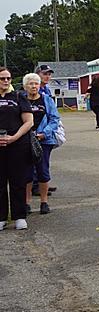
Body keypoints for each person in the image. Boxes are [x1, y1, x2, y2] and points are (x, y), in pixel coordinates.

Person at [21, 73, 60, 215]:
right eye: (30, 83)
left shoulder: (46, 100)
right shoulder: (22, 100)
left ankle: (44, 202)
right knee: (27, 173)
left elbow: (54, 119)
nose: (33, 86)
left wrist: (45, 133)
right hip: (25, 140)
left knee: (43, 171)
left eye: (36, 83)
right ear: (25, 86)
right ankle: (27, 203)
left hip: (44, 141)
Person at [0, 67, 33, 231]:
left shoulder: (19, 97)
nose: (6, 81)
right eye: (2, 78)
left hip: (17, 145)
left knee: (18, 181)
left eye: (8, 78)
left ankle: (19, 216)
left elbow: (29, 121)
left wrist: (14, 137)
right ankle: (1, 217)